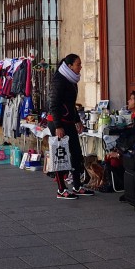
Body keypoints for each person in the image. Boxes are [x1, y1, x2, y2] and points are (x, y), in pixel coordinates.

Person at [48, 53, 94, 199]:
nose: (80, 67)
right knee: (61, 155)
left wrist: (77, 120)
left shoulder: (72, 80)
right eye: (78, 64)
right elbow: (53, 105)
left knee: (76, 154)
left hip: (68, 122)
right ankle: (61, 190)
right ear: (69, 66)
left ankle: (77, 186)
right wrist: (58, 126)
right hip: (58, 123)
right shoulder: (59, 80)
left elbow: (70, 105)